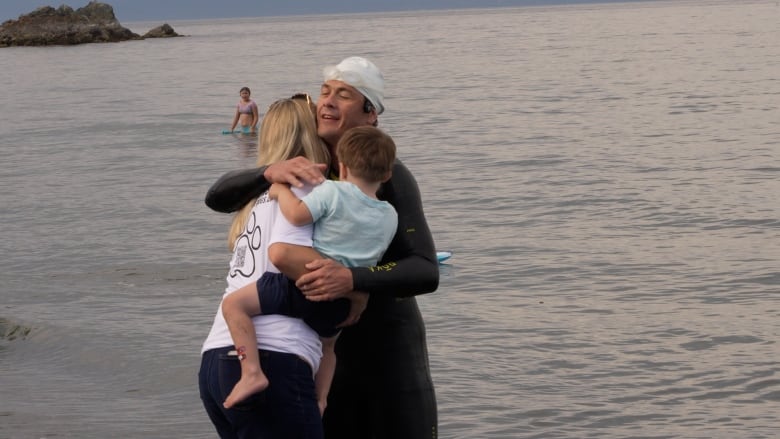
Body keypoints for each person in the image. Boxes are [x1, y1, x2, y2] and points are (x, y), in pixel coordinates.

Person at [205, 56, 439, 438]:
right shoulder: (302, 175)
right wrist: (266, 173)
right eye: (325, 92)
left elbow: (424, 268)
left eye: (343, 96)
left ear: (370, 115)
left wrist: (353, 278)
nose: (328, 102)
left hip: (386, 356)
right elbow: (217, 197)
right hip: (320, 359)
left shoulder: (385, 175)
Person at [221, 125, 398, 411]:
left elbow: (298, 216)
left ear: (341, 167)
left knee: (233, 306)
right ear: (387, 174)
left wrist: (279, 191)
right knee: (328, 348)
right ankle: (320, 399)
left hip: (302, 285)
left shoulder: (332, 191)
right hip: (339, 304)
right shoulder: (391, 215)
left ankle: (251, 371)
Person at [199, 96, 332, 439]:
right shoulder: (311, 192)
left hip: (216, 359)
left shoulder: (256, 200)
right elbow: (286, 259)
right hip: (275, 359)